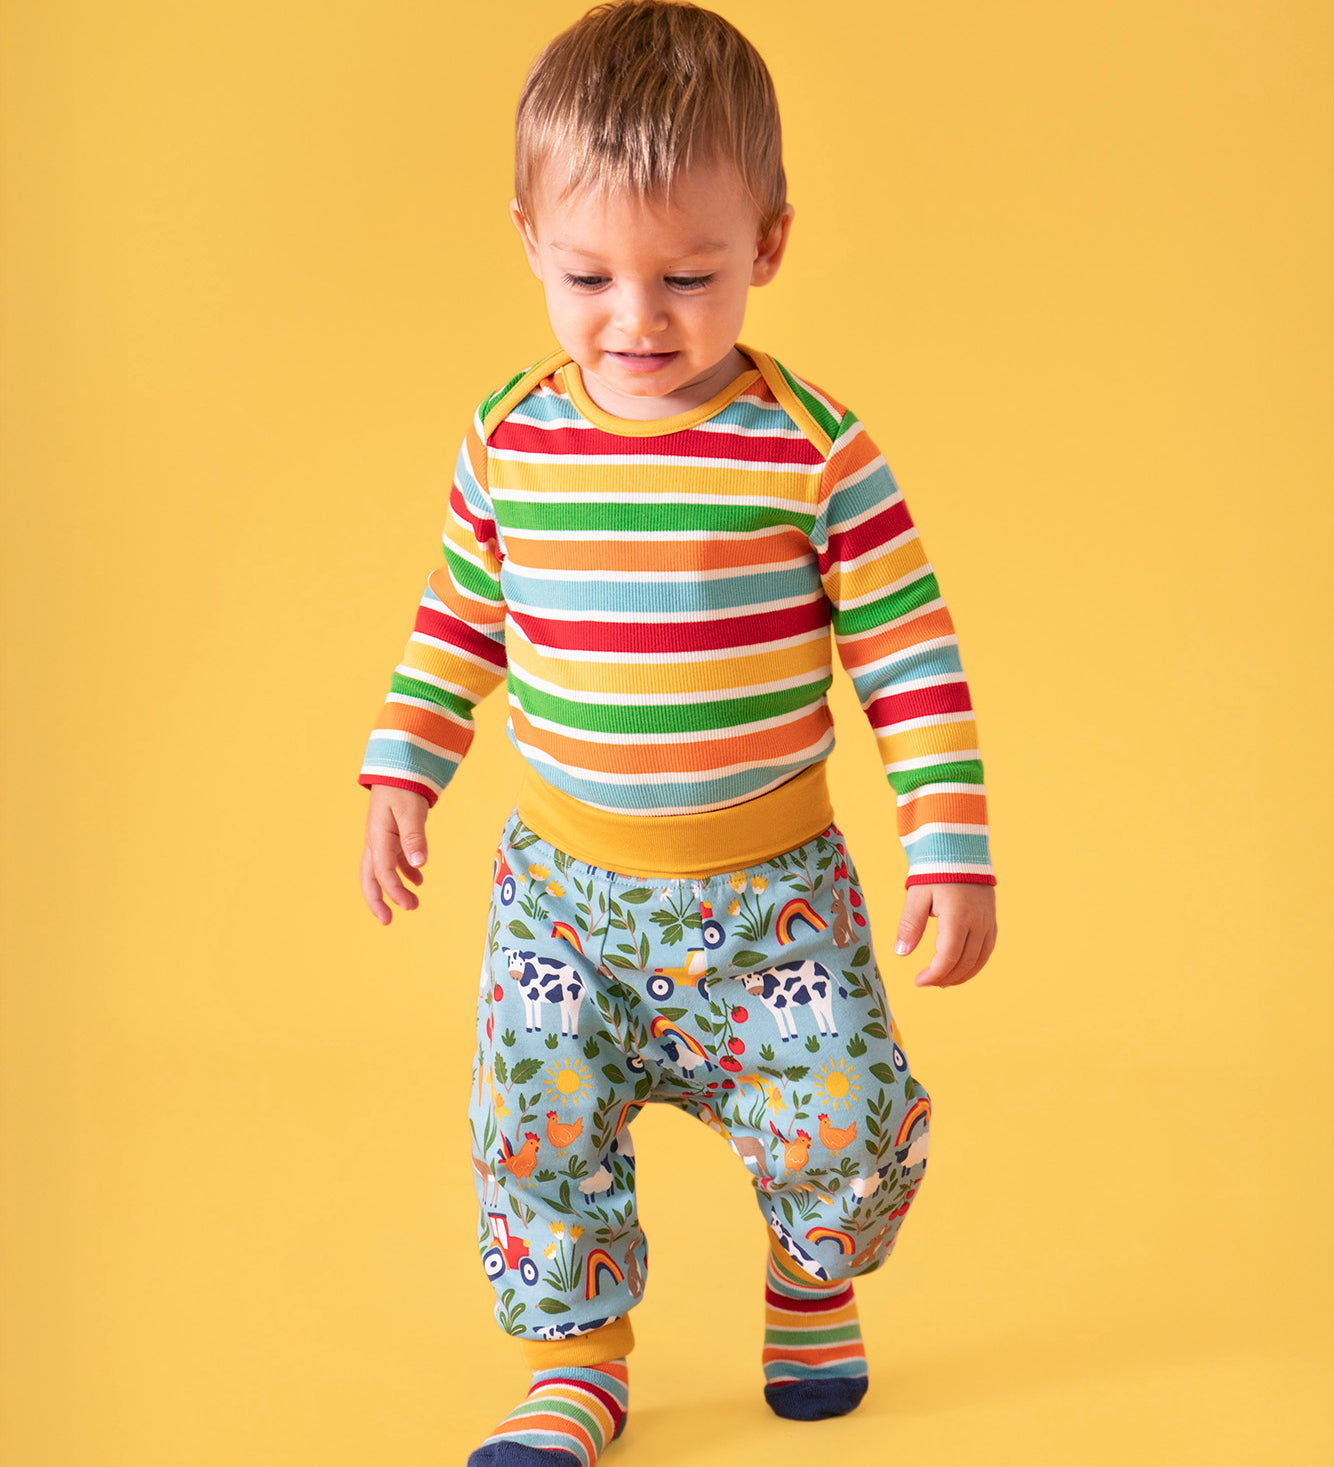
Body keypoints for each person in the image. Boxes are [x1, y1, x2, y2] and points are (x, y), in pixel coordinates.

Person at [357, 3, 998, 1462]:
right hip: (563, 901)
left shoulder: (812, 451)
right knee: (532, 1130)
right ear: (526, 237)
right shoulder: (508, 437)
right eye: (588, 275)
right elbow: (459, 619)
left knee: (844, 1122)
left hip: (775, 899)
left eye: (687, 274)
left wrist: (949, 852)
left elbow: (908, 660)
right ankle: (575, 1365)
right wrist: (405, 766)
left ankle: (810, 1277)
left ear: (766, 245)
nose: (635, 319)